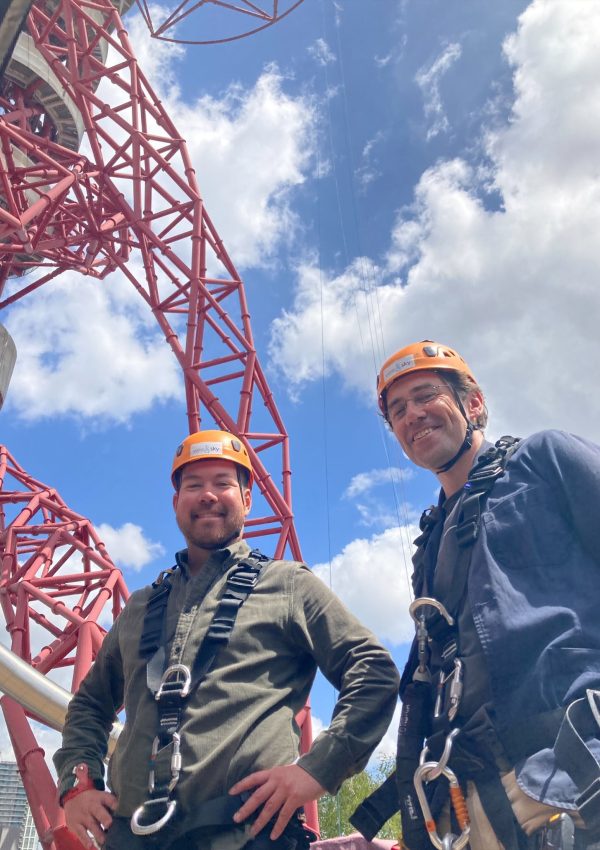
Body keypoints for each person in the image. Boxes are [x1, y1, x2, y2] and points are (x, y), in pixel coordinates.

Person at [54, 429, 400, 850]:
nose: (207, 495)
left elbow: (372, 670)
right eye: (193, 485)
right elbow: (90, 705)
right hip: (131, 836)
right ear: (175, 502)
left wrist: (317, 770)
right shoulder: (142, 606)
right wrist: (78, 784)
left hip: (245, 836)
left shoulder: (288, 585)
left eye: (223, 483)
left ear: (247, 499)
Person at [356, 340, 600, 850]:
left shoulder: (545, 461)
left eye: (425, 395)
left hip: (571, 771)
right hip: (470, 798)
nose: (412, 415)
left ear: (472, 403)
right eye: (397, 410)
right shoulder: (432, 545)